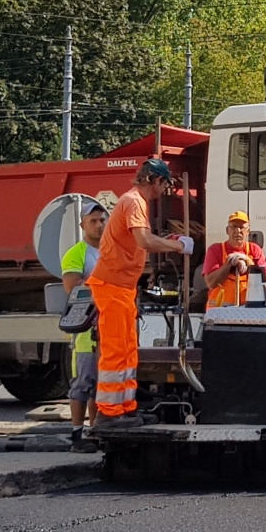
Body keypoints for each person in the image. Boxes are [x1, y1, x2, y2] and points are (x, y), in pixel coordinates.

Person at [87, 159, 193, 430]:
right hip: (113, 286)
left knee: (126, 350)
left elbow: (139, 241)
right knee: (115, 351)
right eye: (165, 183)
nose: (164, 189)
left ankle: (125, 409)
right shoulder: (134, 202)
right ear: (156, 181)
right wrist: (177, 246)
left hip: (120, 287)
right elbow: (144, 241)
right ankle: (110, 413)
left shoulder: (134, 202)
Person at [61, 201, 107, 453]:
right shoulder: (76, 253)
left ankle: (95, 431)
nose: (99, 225)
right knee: (83, 383)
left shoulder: (110, 250)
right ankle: (77, 435)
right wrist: (103, 276)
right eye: (93, 221)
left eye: (102, 220)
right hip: (86, 330)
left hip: (109, 327)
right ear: (82, 225)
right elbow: (73, 287)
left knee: (101, 385)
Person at [203, 211, 266, 308]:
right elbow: (211, 284)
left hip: (247, 312)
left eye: (242, 227)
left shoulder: (255, 250)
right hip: (218, 314)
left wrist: (247, 261)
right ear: (227, 230)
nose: (238, 231)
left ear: (248, 231)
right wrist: (229, 263)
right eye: (234, 227)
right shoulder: (215, 250)